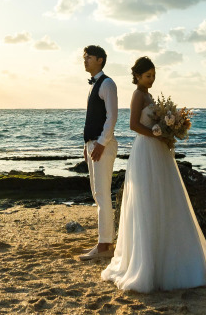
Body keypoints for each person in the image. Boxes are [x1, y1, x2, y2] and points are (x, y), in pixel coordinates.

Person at [101, 56, 206, 292]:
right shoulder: (137, 95)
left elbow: (155, 123)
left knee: (166, 200)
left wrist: (168, 131)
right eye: (148, 76)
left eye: (154, 75)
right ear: (137, 76)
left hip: (158, 151)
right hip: (145, 151)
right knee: (147, 202)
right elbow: (133, 125)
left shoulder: (151, 96)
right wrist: (157, 134)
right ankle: (146, 264)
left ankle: (170, 262)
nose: (152, 79)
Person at [78, 45, 119, 261]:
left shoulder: (108, 83)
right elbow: (93, 118)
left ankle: (104, 245)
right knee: (97, 194)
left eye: (89, 57)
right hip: (93, 145)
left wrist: (102, 143)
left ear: (100, 60)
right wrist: (87, 145)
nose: (84, 60)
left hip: (103, 145)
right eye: (84, 57)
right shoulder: (94, 85)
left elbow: (112, 117)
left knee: (102, 194)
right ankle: (105, 240)